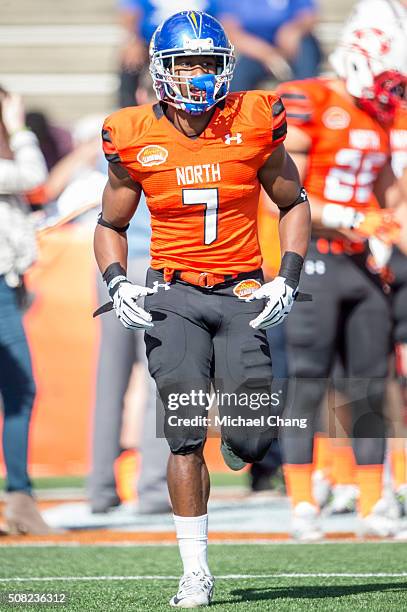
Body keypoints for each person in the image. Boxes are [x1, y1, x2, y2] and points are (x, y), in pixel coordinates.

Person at [94, 10, 311, 608]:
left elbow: (293, 202)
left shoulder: (254, 118)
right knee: (184, 434)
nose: (196, 74)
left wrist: (286, 278)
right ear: (161, 70)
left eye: (207, 63)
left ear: (226, 67)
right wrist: (117, 281)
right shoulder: (132, 132)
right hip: (173, 293)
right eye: (185, 62)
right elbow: (110, 221)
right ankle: (196, 570)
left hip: (242, 289)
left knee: (255, 436)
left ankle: (246, 438)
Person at [278, 20, 407, 539]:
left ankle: (374, 501)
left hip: (361, 262)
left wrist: (389, 223)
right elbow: (288, 193)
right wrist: (356, 219)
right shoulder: (311, 101)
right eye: (388, 78)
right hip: (315, 257)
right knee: (306, 381)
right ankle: (303, 501)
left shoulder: (381, 117)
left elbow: (389, 192)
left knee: (370, 385)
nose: (393, 90)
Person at [0, 88, 55, 534]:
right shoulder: (11, 155)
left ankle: (20, 497)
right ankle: (20, 496)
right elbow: (33, 174)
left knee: (19, 392)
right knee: (20, 391)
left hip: (8, 283)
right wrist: (18, 128)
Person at [208, 0, 321, 92]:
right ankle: (236, 114)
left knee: (306, 48)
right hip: (253, 50)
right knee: (238, 79)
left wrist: (295, 29)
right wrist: (267, 54)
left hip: (290, 46)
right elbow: (230, 30)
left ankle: (306, 103)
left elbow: (307, 15)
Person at [117, 0, 208, 107]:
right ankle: (130, 113)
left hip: (199, 45)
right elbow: (130, 12)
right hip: (151, 42)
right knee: (130, 63)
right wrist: (133, 41)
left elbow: (224, 16)